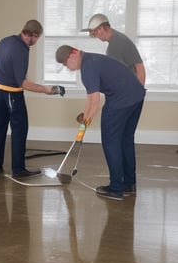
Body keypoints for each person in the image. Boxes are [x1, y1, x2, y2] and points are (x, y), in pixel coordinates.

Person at [55, 45, 145, 200]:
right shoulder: (91, 60)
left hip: (121, 100)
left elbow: (95, 102)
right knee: (125, 140)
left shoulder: (88, 67)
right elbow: (90, 98)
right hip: (137, 95)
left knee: (111, 142)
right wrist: (85, 120)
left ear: (74, 53)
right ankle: (129, 184)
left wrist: (86, 123)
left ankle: (116, 188)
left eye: (65, 63)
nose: (67, 68)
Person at [0, 19, 64, 177]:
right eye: (37, 38)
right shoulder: (21, 50)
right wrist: (46, 90)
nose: (36, 41)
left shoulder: (6, 41)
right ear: (33, 36)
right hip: (11, 94)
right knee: (20, 129)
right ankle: (18, 169)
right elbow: (22, 83)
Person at [82, 13, 146, 85]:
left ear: (101, 28)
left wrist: (138, 91)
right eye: (94, 34)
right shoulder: (118, 39)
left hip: (128, 90)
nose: (96, 36)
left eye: (96, 33)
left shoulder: (116, 43)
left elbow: (139, 67)